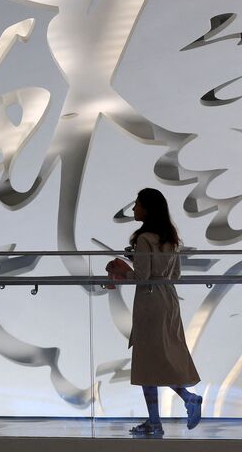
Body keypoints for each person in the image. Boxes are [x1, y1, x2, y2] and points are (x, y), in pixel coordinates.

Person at [108, 188, 202, 438]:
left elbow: (142, 277)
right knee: (161, 358)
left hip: (149, 302)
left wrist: (120, 269)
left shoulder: (144, 239)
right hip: (168, 298)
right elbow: (175, 275)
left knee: (148, 360)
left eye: (137, 205)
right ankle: (160, 417)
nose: (134, 209)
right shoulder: (170, 238)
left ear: (147, 209)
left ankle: (171, 409)